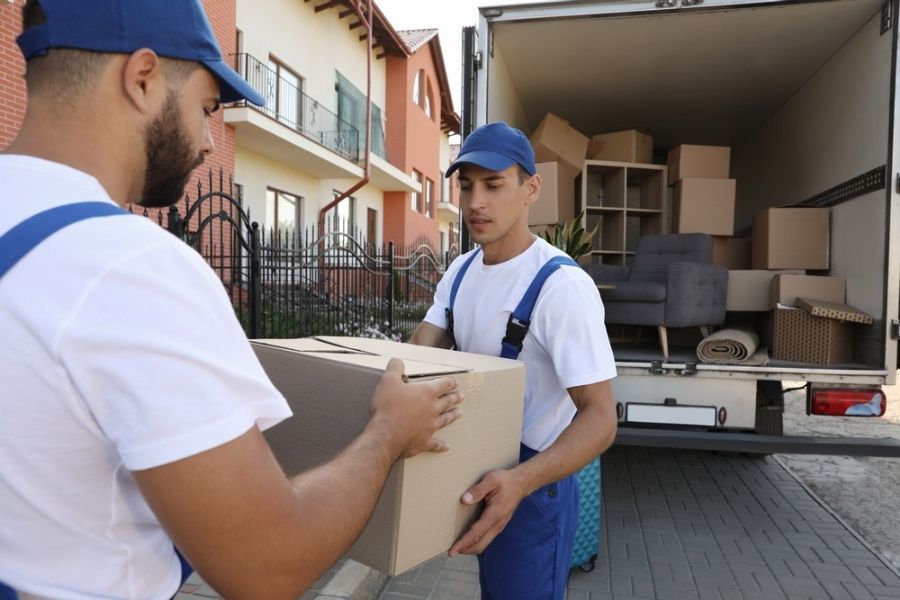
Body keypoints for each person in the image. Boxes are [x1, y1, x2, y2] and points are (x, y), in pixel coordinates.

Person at [0, 1, 463, 598]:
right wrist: (388, 432)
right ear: (142, 80)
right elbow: (268, 565)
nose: (205, 140)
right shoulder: (132, 270)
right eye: (206, 107)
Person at [409, 122, 618, 600]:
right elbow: (416, 357)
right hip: (477, 470)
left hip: (532, 488)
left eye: (493, 184)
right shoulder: (460, 273)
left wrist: (520, 483)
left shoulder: (561, 287)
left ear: (531, 189)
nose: (475, 202)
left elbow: (601, 419)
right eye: (465, 186)